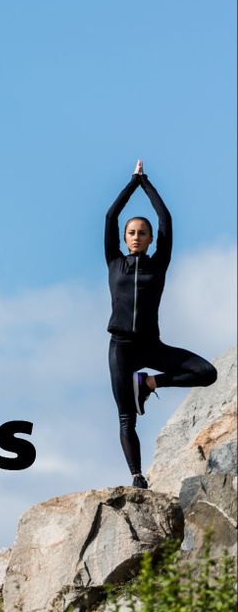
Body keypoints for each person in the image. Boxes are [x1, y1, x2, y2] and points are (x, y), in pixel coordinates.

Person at [105, 159, 217, 489]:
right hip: (121, 348)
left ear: (151, 239)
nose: (136, 237)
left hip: (150, 345)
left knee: (207, 373)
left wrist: (147, 184)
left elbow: (166, 219)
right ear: (125, 239)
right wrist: (132, 182)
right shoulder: (114, 262)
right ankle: (137, 476)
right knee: (126, 417)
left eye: (142, 233)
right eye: (132, 233)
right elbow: (110, 217)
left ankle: (150, 383)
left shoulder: (159, 264)